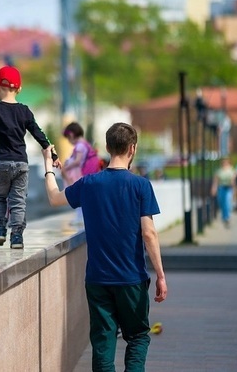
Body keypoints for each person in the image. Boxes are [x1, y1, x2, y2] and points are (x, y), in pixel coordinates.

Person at [41, 122, 167, 371]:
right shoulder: (141, 185)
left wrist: (48, 164)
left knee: (103, 342)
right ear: (133, 148)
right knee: (139, 337)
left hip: (98, 280)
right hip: (131, 279)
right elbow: (149, 233)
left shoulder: (89, 184)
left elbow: (55, 198)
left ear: (108, 148)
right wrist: (161, 275)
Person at [0, 65, 61, 249]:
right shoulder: (25, 111)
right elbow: (40, 135)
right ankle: (17, 236)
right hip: (21, 164)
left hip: (0, 164)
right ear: (19, 89)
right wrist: (53, 154)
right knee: (18, 200)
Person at [61, 122, 101, 225]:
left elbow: (78, 161)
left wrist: (66, 167)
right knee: (82, 197)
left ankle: (80, 218)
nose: (69, 141)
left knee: (79, 197)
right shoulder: (85, 144)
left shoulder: (79, 146)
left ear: (71, 135)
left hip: (81, 174)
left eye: (68, 138)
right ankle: (80, 218)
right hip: (86, 173)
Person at [211, 157, 236, 228]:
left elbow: (233, 179)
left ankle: (226, 217)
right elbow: (216, 180)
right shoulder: (219, 171)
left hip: (228, 188)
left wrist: (232, 184)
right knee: (221, 202)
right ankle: (224, 215)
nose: (224, 163)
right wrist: (214, 188)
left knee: (227, 202)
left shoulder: (231, 170)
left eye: (226, 162)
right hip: (221, 187)